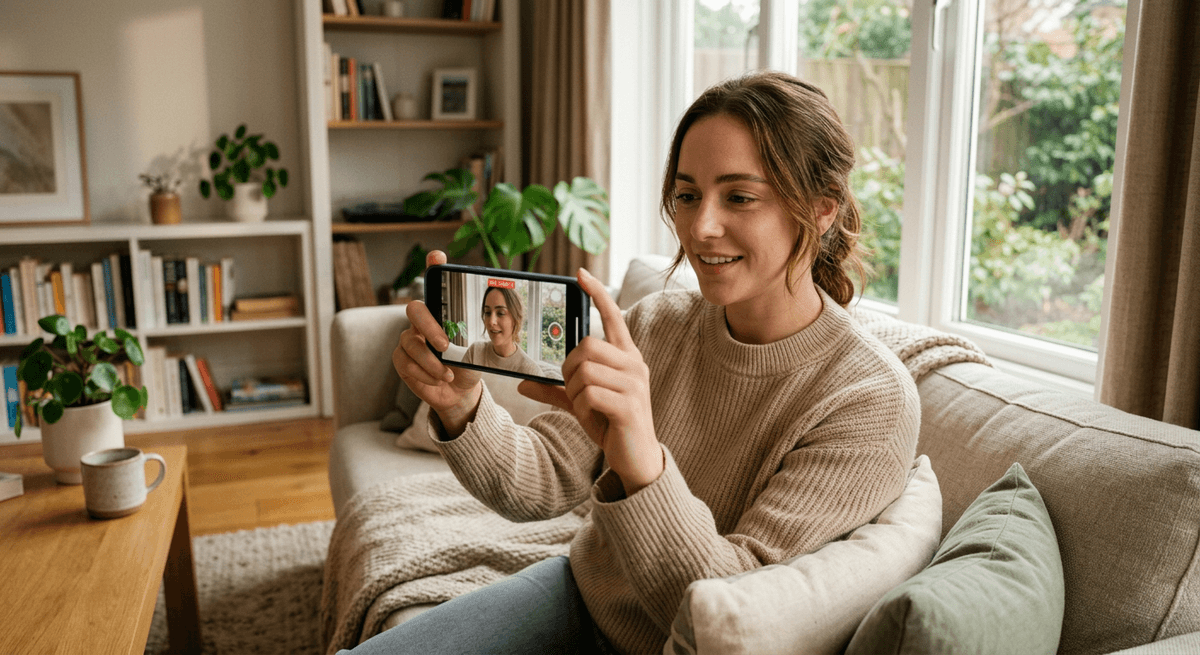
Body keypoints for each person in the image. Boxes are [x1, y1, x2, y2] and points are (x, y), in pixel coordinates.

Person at [368, 70, 920, 655]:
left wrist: (640, 458)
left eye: (739, 196)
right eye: (687, 195)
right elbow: (542, 480)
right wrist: (462, 407)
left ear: (821, 210)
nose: (702, 227)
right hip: (579, 597)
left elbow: (726, 609)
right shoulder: (657, 323)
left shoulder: (869, 400)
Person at [459, 286, 545, 377]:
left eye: (500, 313)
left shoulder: (531, 371)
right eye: (487, 312)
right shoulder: (475, 352)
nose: (491, 321)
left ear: (516, 319)